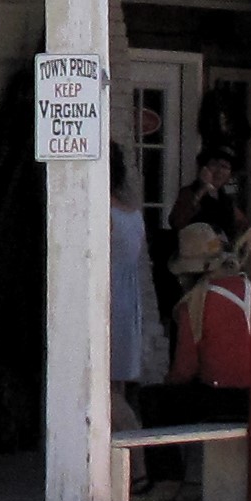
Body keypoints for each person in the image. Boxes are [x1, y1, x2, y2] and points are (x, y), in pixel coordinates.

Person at [109, 151, 167, 430]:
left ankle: (130, 439)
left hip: (108, 296)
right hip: (127, 299)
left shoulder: (103, 213)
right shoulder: (132, 213)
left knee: (104, 382)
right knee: (117, 381)